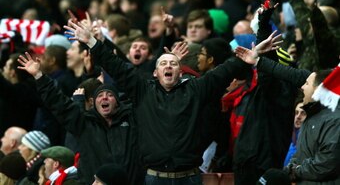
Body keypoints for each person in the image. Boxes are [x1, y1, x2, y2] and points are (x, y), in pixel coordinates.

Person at [61, 19, 279, 185]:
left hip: (190, 178)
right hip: (154, 178)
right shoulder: (143, 90)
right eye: (163, 63)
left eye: (173, 63)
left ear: (180, 70)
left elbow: (225, 71)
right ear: (155, 72)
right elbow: (115, 65)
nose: (168, 66)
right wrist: (91, 41)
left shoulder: (196, 88)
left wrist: (253, 55)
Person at [16, 55, 144, 185]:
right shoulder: (85, 123)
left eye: (110, 95)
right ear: (93, 103)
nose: (104, 98)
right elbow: (58, 102)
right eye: (100, 95)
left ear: (117, 103)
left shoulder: (132, 119)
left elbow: (138, 86)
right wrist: (39, 76)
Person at [235, 45, 340, 184]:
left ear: (319, 90)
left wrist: (295, 171)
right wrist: (259, 61)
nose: (302, 87)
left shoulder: (335, 120)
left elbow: (327, 163)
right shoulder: (312, 114)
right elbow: (301, 154)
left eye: (307, 84)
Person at [283, 100, 306, 166]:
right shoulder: (288, 137)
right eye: (296, 113)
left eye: (303, 113)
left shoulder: (309, 141)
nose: (298, 117)